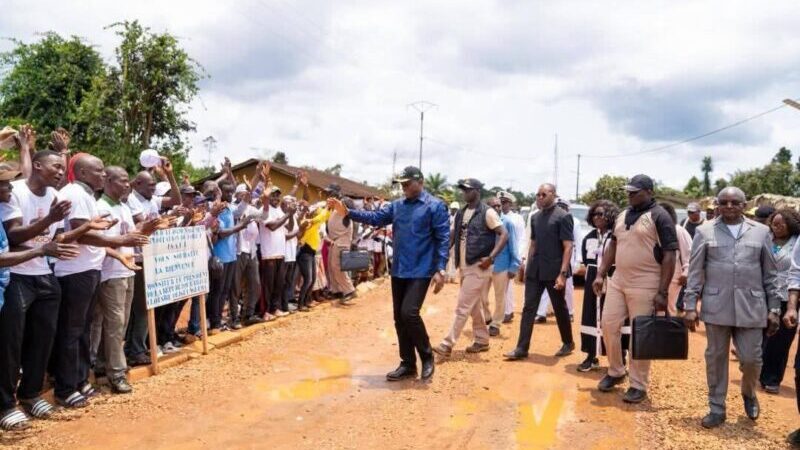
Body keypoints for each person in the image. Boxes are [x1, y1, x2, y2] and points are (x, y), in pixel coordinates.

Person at [329, 166, 449, 381]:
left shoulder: (435, 206)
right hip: (400, 268)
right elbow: (375, 217)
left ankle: (427, 356)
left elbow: (442, 239)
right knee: (399, 318)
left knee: (409, 313)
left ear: (419, 181)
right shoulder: (397, 206)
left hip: (421, 270)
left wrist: (440, 268)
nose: (403, 187)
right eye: (401, 184)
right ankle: (408, 364)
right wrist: (348, 212)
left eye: (407, 183)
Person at [52, 154, 148, 409]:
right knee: (73, 332)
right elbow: (83, 235)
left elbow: (92, 231)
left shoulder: (86, 196)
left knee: (84, 330)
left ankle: (81, 380)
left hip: (89, 269)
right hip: (75, 272)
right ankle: (65, 387)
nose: (103, 175)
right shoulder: (75, 194)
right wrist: (118, 241)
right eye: (99, 171)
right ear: (83, 173)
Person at [683, 186, 780, 428]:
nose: (728, 206)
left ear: (744, 205)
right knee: (715, 358)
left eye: (734, 202)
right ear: (717, 204)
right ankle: (717, 407)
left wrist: (775, 308)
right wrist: (690, 305)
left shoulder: (761, 232)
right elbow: (695, 271)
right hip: (716, 306)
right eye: (723, 202)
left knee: (751, 359)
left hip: (752, 306)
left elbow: (771, 274)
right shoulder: (705, 231)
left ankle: (749, 392)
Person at [0, 159, 80, 430]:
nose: (60, 172)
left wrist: (59, 239)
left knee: (43, 338)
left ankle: (31, 394)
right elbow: (13, 236)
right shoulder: (14, 191)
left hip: (44, 275)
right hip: (17, 276)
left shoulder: (56, 196)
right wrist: (48, 222)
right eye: (56, 166)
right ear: (36, 165)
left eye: (62, 167)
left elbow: (52, 238)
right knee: (12, 342)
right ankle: (6, 404)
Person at [593, 174, 677, 404]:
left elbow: (670, 255)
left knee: (641, 334)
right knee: (609, 324)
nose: (629, 195)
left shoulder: (660, 216)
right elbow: (613, 244)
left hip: (646, 282)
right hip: (619, 280)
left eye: (634, 191)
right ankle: (616, 370)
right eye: (628, 191)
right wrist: (601, 273)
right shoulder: (622, 214)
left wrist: (662, 291)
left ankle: (638, 383)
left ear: (649, 192)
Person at [433, 179, 507, 356]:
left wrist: (491, 258)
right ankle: (482, 340)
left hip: (479, 266)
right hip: (464, 266)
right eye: (463, 190)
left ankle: (447, 344)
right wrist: (441, 259)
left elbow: (504, 234)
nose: (464, 193)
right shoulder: (461, 212)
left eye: (467, 190)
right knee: (473, 306)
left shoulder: (487, 212)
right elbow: (453, 236)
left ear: (477, 191)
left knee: (463, 306)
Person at [505, 183, 575, 361]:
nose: (539, 197)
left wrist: (562, 274)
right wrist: (527, 266)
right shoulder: (535, 217)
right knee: (529, 308)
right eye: (537, 195)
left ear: (553, 194)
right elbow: (534, 244)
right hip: (535, 270)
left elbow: (568, 247)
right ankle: (521, 348)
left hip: (554, 271)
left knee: (559, 308)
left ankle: (568, 342)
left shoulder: (563, 217)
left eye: (543, 194)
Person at [91, 166, 141, 394]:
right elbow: (102, 242)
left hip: (127, 270)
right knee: (114, 325)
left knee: (119, 323)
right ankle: (117, 374)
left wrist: (148, 228)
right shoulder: (101, 207)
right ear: (109, 181)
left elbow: (130, 236)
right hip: (111, 273)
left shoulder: (123, 206)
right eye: (122, 181)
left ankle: (103, 364)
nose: (127, 184)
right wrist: (121, 255)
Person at [759, 208, 800, 394]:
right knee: (763, 337)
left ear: (790, 225)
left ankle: (773, 378)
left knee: (780, 342)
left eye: (781, 224)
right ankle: (758, 372)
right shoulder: (765, 240)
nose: (777, 227)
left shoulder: (795, 243)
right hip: (764, 295)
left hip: (788, 297)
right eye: (774, 224)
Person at [577, 200, 618, 372]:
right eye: (594, 214)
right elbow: (587, 261)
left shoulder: (615, 237)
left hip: (612, 278)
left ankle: (618, 358)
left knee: (612, 317)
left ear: (609, 216)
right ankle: (590, 355)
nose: (597, 218)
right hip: (592, 279)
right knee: (590, 315)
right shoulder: (589, 237)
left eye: (601, 214)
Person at [535, 198, 579, 323]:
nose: (561, 208)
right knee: (545, 287)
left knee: (568, 287)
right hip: (551, 259)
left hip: (567, 258)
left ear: (567, 208)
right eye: (559, 206)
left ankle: (570, 312)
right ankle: (541, 313)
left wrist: (577, 261)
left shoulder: (573, 221)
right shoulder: (550, 219)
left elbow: (577, 242)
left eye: (563, 206)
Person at [485, 197, 518, 337]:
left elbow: (513, 246)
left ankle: (495, 324)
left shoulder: (508, 223)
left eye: (499, 205)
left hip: (502, 265)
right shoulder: (484, 221)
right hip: (484, 265)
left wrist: (514, 266)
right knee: (480, 296)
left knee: (500, 297)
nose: (498, 208)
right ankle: (486, 317)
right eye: (494, 206)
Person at [259, 186, 292, 319]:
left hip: (280, 252)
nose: (276, 198)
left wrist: (291, 214)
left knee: (279, 283)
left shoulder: (279, 210)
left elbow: (288, 227)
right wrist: (288, 214)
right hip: (269, 253)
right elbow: (272, 226)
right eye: (273, 195)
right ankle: (265, 312)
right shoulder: (263, 211)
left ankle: (275, 308)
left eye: (278, 196)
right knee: (268, 285)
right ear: (268, 197)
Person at [324, 183, 357, 302]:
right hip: (334, 240)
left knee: (337, 266)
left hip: (342, 239)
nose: (328, 195)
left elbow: (353, 216)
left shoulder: (344, 201)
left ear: (337, 192)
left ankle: (349, 290)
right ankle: (336, 291)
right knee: (331, 266)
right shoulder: (332, 205)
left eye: (330, 192)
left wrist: (354, 238)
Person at [497, 191, 525, 324]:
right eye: (500, 202)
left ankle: (508, 311)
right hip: (499, 258)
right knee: (502, 288)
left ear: (510, 203)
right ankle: (505, 311)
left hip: (512, 256)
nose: (502, 205)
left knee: (508, 286)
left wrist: (518, 259)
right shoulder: (497, 217)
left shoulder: (517, 218)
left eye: (504, 202)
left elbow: (521, 239)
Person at [660, 203, 692, 316]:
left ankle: (669, 332)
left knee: (668, 306)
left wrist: (686, 272)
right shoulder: (655, 230)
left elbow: (689, 253)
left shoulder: (678, 230)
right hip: (655, 274)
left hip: (673, 275)